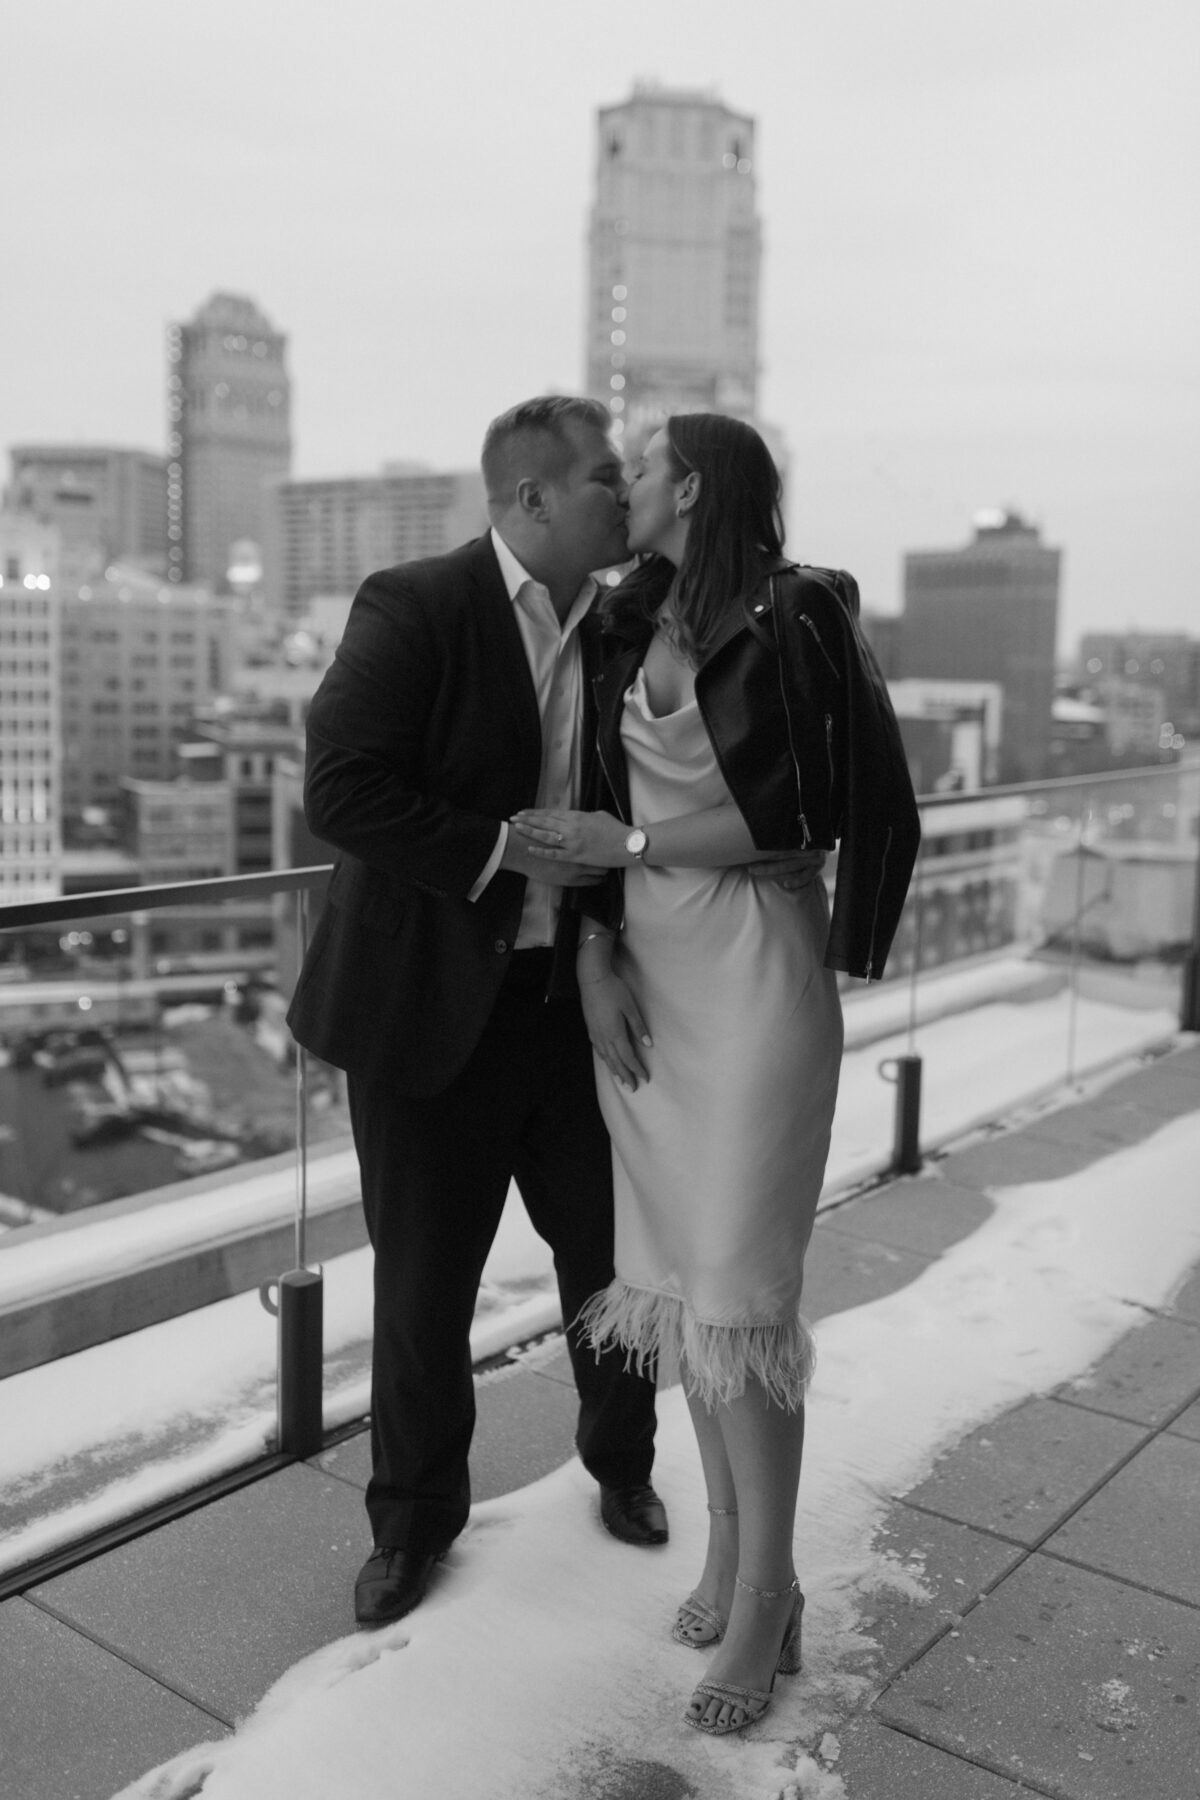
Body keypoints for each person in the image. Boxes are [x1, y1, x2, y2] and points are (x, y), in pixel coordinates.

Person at [511, 413, 920, 1734]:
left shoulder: (793, 615)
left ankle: (770, 1592)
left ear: (692, 484)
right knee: (689, 1299)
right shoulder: (630, 623)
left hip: (753, 981)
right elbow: (587, 799)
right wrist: (597, 953)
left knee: (742, 1304)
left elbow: (794, 816)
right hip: (657, 978)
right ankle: (735, 1557)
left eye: (637, 461)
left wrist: (622, 845)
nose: (619, 479)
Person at [286, 396, 674, 1629]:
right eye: (608, 479)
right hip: (425, 1013)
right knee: (423, 1293)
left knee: (612, 1270)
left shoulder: (622, 622)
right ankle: (411, 1530)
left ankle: (623, 1471)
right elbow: (339, 792)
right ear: (533, 501)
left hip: (572, 1004)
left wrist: (602, 920)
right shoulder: (415, 605)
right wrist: (506, 851)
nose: (624, 495)